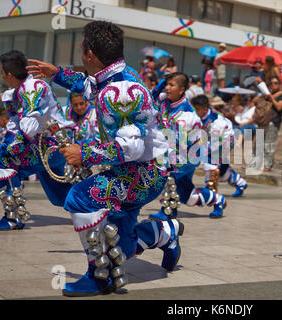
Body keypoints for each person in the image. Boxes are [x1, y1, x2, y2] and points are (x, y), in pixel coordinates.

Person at [27, 21, 184, 297]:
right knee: (120, 251)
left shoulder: (118, 92)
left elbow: (131, 149)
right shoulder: (115, 77)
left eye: (81, 48)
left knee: (81, 196)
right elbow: (88, 86)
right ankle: (164, 233)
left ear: (90, 54)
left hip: (142, 174)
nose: (79, 53)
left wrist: (83, 154)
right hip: (141, 169)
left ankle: (97, 277)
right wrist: (56, 74)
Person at [0, 50, 71, 232]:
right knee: (60, 197)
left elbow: (30, 127)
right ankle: (99, 208)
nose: (1, 76)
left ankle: (12, 217)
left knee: (4, 160)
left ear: (9, 75)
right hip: (43, 148)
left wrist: (10, 147)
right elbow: (15, 123)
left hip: (50, 147)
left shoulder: (34, 88)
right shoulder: (14, 93)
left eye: (2, 72)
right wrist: (9, 140)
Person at [148, 72, 226, 221]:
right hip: (173, 153)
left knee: (166, 175)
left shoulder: (188, 115)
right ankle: (217, 200)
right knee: (188, 197)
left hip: (188, 156)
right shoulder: (165, 101)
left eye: (172, 85)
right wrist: (157, 89)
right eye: (166, 85)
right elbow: (150, 102)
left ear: (182, 89)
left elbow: (189, 145)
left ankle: (168, 211)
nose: (167, 88)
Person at [191, 94, 248, 197]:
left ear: (205, 109)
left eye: (197, 109)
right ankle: (240, 183)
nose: (195, 112)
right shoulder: (198, 116)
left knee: (210, 161)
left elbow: (214, 143)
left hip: (225, 140)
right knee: (220, 170)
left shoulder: (217, 121)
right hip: (212, 141)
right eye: (194, 109)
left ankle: (210, 189)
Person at [253, 75, 282, 172]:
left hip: (273, 122)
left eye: (275, 83)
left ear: (280, 85)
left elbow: (279, 107)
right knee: (258, 144)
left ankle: (267, 165)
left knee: (269, 144)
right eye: (271, 83)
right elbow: (254, 101)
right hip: (263, 121)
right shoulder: (266, 95)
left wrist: (271, 97)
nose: (273, 85)